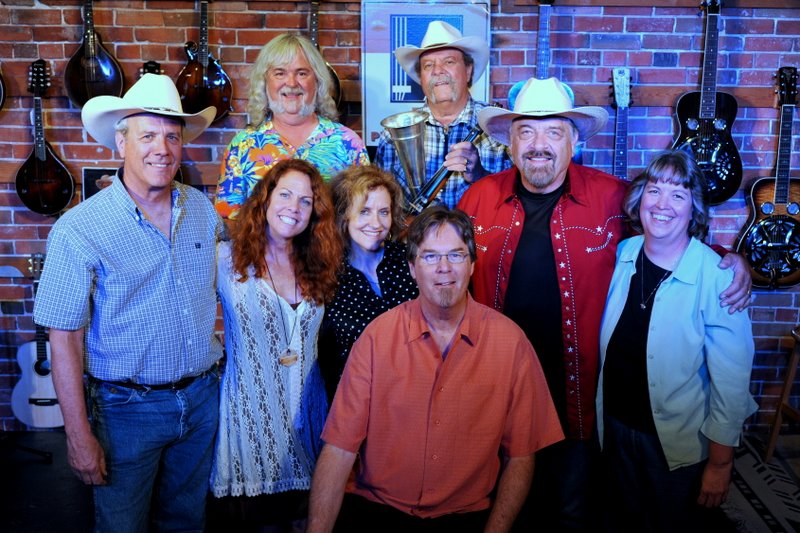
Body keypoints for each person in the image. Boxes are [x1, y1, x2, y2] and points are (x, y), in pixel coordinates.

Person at [456, 77, 753, 531]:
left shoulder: (612, 197)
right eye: (527, 133)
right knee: (501, 504)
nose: (539, 145)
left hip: (579, 392)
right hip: (501, 387)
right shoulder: (478, 198)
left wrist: (730, 261)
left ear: (574, 140)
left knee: (573, 509)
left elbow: (667, 233)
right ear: (510, 143)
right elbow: (444, 262)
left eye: (554, 132)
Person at [32, 73, 223, 532]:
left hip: (201, 401)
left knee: (187, 523)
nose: (163, 148)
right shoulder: (80, 229)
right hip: (125, 412)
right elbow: (63, 338)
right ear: (121, 143)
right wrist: (78, 437)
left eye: (172, 136)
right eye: (148, 135)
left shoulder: (202, 210)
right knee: (122, 527)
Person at [306, 206, 564, 533]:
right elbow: (340, 448)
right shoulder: (377, 337)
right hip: (379, 512)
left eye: (455, 255)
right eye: (430, 257)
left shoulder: (511, 342)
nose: (444, 268)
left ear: (471, 265)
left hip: (466, 518)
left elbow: (522, 456)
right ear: (412, 268)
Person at [596, 150, 757, 531]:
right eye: (654, 191)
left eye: (678, 195)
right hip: (615, 429)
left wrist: (721, 463)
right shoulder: (622, 254)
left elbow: (731, 384)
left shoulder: (717, 277)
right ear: (640, 199)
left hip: (675, 444)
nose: (662, 205)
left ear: (694, 211)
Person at [208, 158, 342, 531]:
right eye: (285, 194)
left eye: (305, 201)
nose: (294, 208)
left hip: (309, 424)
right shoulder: (224, 260)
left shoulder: (322, 263)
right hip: (249, 426)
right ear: (264, 199)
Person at [215, 33, 369, 224]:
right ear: (265, 83)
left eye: (302, 73)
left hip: (332, 253)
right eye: (280, 73)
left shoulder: (347, 142)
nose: (291, 83)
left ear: (318, 81)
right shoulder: (243, 145)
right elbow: (227, 218)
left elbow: (365, 214)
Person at [375, 21, 511, 209]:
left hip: (479, 238)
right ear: (421, 77)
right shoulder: (393, 136)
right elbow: (379, 206)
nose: (438, 71)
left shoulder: (498, 128)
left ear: (468, 70)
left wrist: (479, 174)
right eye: (428, 65)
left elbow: (515, 201)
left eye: (449, 62)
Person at [319, 165, 418, 400]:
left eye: (384, 212)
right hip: (352, 400)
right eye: (364, 211)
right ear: (344, 214)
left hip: (413, 394)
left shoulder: (408, 260)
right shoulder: (327, 273)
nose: (376, 223)